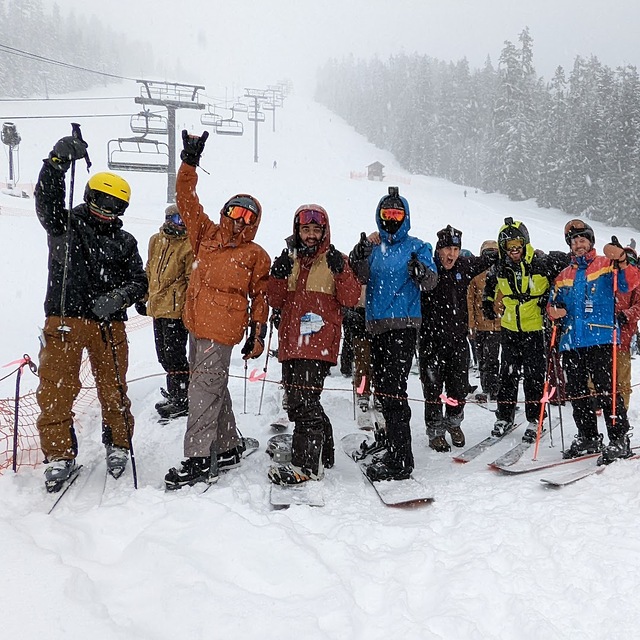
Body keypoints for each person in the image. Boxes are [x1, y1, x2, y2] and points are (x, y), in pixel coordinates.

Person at [35, 135, 147, 491]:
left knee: (113, 389)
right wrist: (56, 163)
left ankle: (118, 442)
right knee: (56, 389)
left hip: (108, 325)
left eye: (114, 204)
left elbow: (140, 281)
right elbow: (47, 200)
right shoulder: (64, 224)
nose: (106, 209)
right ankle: (59, 455)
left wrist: (118, 298)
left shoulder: (125, 242)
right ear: (88, 197)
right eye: (100, 200)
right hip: (66, 319)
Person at [164, 131, 271, 489]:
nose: (239, 220)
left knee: (202, 392)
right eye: (234, 212)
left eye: (247, 216)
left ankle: (197, 458)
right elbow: (185, 198)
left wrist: (258, 334)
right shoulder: (205, 235)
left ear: (254, 223)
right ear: (225, 212)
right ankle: (226, 446)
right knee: (212, 387)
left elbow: (261, 298)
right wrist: (189, 163)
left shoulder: (256, 255)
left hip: (221, 332)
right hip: (195, 325)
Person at [267, 205, 360, 485]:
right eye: (305, 229)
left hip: (318, 343)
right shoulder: (290, 259)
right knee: (299, 405)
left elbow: (350, 298)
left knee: (304, 403)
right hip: (291, 342)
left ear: (324, 231)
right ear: (298, 231)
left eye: (315, 230)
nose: (310, 235)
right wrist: (278, 276)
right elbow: (275, 300)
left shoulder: (336, 260)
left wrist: (341, 272)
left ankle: (306, 465)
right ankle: (325, 452)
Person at [349, 186, 437, 480]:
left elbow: (431, 282)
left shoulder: (417, 246)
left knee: (393, 390)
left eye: (397, 213)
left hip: (403, 325)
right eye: (387, 213)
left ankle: (402, 457)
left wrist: (420, 272)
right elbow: (359, 276)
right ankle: (390, 441)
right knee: (382, 390)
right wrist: (357, 255)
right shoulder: (374, 247)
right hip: (376, 325)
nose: (391, 219)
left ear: (406, 217)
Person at [549, 221, 639, 464]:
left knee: (607, 391)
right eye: (574, 241)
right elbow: (552, 303)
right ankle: (588, 437)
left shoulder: (605, 265)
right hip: (572, 341)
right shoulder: (564, 275)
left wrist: (622, 258)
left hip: (600, 338)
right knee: (578, 393)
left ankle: (619, 439)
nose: (578, 245)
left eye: (582, 240)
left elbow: (630, 282)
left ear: (590, 241)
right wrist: (553, 311)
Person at [483, 217, 568, 443]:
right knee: (508, 374)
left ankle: (535, 418)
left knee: (533, 376)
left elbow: (567, 269)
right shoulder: (499, 267)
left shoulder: (540, 263)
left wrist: (556, 299)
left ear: (525, 243)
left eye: (517, 245)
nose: (514, 251)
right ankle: (504, 416)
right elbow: (490, 286)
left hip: (535, 328)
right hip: (510, 327)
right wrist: (487, 304)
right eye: (509, 246)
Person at [419, 226, 495, 452]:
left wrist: (495, 253)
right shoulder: (428, 268)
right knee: (433, 389)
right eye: (447, 249)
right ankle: (435, 431)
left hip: (457, 340)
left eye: (455, 249)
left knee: (458, 387)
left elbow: (485, 261)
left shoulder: (464, 265)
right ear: (438, 250)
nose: (451, 254)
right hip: (430, 341)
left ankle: (453, 423)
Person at [135, 204, 193, 420]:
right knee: (163, 355)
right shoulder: (156, 240)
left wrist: (188, 310)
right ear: (168, 219)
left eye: (184, 220)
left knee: (174, 355)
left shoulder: (188, 245)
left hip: (175, 311)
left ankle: (182, 397)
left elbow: (190, 280)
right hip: (158, 307)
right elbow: (150, 269)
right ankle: (176, 392)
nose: (181, 225)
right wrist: (144, 297)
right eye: (177, 220)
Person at [467, 240, 503, 404]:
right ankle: (488, 388)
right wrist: (471, 324)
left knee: (491, 358)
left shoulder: (502, 272)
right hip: (481, 325)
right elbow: (470, 301)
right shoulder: (476, 274)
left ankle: (493, 389)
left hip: (499, 324)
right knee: (482, 358)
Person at [615, 246, 640, 409]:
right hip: (603, 334)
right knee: (598, 373)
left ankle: (622, 407)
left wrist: (627, 315)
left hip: (624, 335)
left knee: (623, 376)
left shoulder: (636, 281)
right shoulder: (611, 276)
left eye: (632, 261)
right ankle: (596, 402)